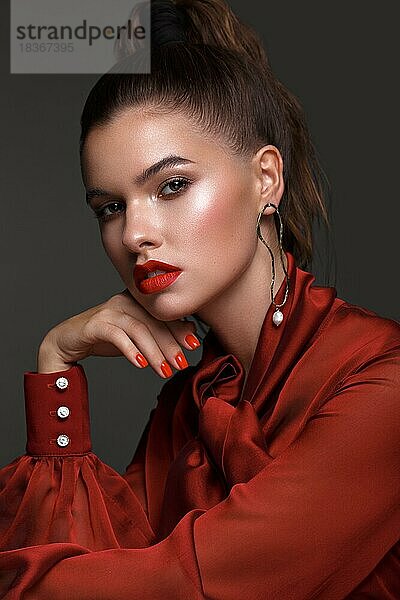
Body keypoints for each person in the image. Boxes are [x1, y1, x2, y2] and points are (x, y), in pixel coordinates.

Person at [1, 0, 399, 598]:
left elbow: (179, 586)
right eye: (110, 207)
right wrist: (56, 360)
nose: (134, 234)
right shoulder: (187, 405)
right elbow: (97, 556)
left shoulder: (380, 381)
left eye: (172, 185)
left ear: (267, 179)